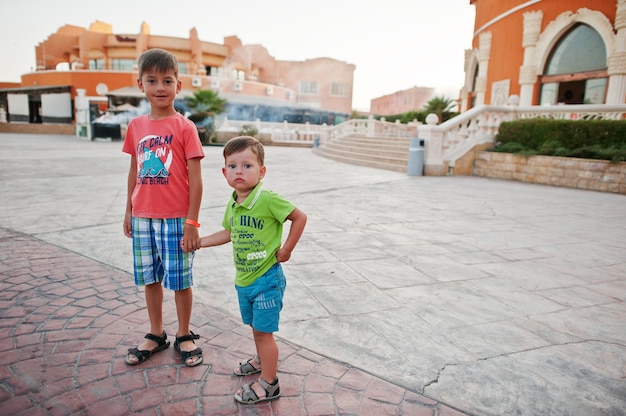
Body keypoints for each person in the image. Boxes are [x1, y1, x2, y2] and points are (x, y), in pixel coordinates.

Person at [197, 136, 307, 404]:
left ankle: (270, 384)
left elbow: (299, 217)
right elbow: (228, 232)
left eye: (247, 165)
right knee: (256, 328)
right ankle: (261, 360)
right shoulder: (234, 202)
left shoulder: (267, 199)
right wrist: (199, 242)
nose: (239, 172)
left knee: (263, 332)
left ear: (261, 171)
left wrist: (287, 249)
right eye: (232, 166)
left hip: (267, 278)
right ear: (224, 172)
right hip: (244, 280)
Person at [122, 48, 205, 367]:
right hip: (142, 216)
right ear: (140, 84)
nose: (160, 87)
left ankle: (184, 333)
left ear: (178, 86)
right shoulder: (136, 126)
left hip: (176, 220)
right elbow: (134, 170)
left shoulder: (185, 127)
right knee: (150, 278)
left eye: (167, 80)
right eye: (152, 80)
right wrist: (128, 210)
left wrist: (192, 222)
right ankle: (156, 333)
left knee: (181, 280)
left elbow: (196, 180)